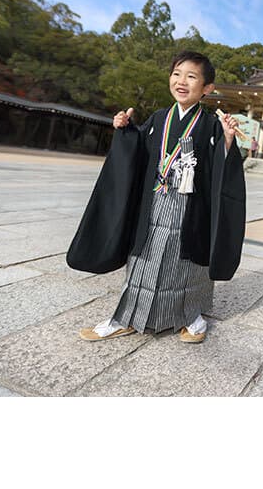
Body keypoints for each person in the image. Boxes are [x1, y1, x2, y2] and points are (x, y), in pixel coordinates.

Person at [68, 51, 245, 345]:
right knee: (143, 261)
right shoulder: (158, 118)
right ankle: (125, 318)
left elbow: (221, 168)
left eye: (191, 76)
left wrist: (227, 139)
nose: (181, 81)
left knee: (187, 266)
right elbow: (138, 150)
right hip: (153, 204)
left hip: (191, 209)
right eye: (177, 74)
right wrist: (125, 129)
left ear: (207, 88)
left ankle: (192, 317)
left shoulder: (212, 124)